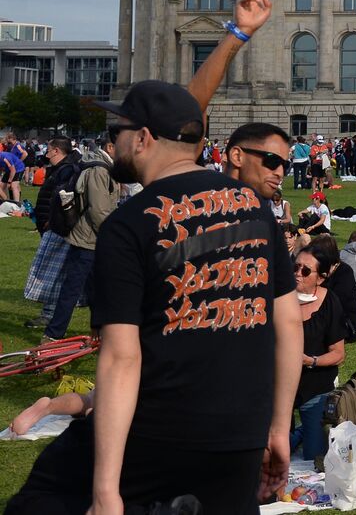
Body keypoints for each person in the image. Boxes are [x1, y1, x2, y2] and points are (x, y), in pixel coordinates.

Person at [8, 79, 300, 514]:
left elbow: (121, 358)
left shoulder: (128, 225)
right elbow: (289, 322)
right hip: (240, 436)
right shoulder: (255, 209)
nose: (113, 141)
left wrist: (106, 489)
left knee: (38, 501)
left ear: (143, 138)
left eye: (119, 131)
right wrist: (277, 428)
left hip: (159, 430)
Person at [44, 134, 121, 342]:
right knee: (72, 288)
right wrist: (114, 237)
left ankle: (98, 330)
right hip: (88, 239)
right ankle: (53, 334)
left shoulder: (103, 165)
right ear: (111, 146)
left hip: (92, 238)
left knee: (96, 287)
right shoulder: (99, 169)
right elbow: (98, 210)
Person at [290, 245, 346, 463]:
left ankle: (305, 431)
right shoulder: (280, 298)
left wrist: (310, 361)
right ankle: (297, 434)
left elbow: (338, 354)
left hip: (315, 386)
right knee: (276, 453)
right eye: (295, 267)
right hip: (280, 388)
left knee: (313, 457)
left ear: (320, 279)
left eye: (305, 271)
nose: (297, 273)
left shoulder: (330, 302)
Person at [22, 137, 84, 331]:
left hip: (58, 228)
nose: (45, 154)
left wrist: (54, 221)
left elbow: (64, 199)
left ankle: (51, 315)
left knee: (54, 272)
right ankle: (49, 313)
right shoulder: (62, 168)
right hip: (51, 226)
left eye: (48, 150)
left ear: (56, 151)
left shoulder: (67, 170)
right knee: (56, 273)